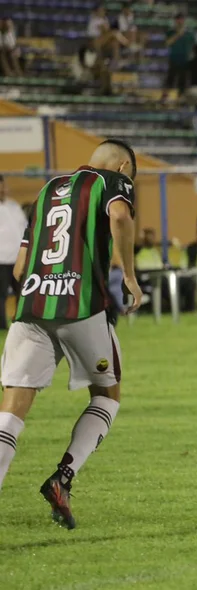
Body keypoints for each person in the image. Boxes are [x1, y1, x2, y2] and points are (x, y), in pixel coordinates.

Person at [0, 139, 143, 529]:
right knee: (108, 395)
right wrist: (128, 276)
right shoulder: (113, 180)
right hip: (82, 306)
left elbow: (20, 267)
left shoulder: (48, 189)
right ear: (123, 165)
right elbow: (119, 219)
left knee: (10, 412)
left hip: (32, 308)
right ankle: (63, 476)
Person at [0, 174, 28, 329]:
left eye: (4, 185)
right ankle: (1, 326)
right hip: (2, 259)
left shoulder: (14, 206)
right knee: (1, 295)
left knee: (23, 293)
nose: (4, 188)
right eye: (1, 185)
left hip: (19, 258)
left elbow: (24, 228)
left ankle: (23, 324)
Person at [162, 13, 194, 103]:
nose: (180, 22)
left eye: (182, 19)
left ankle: (181, 98)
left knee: (182, 80)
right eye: (178, 19)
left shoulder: (189, 33)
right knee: (170, 79)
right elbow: (167, 43)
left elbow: (192, 46)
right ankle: (165, 97)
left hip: (185, 60)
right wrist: (177, 35)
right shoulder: (170, 32)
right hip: (174, 59)